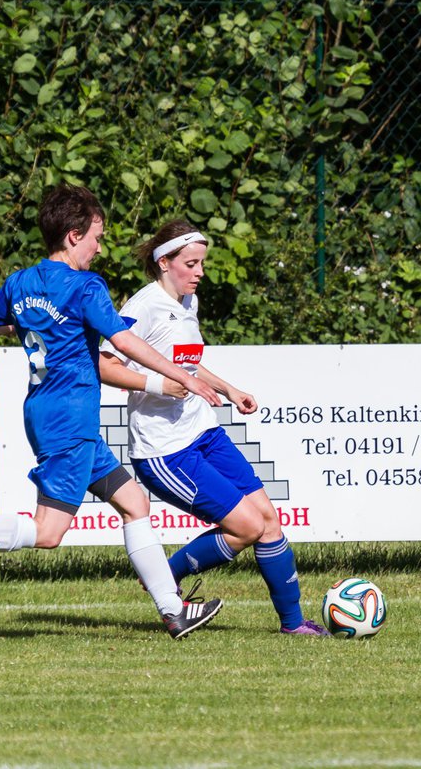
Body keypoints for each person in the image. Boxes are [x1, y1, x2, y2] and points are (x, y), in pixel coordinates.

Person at [0, 185, 223, 640]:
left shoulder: (21, 282)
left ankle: (173, 611)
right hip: (69, 418)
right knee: (49, 532)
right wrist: (186, 378)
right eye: (96, 236)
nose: (99, 246)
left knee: (134, 502)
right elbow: (124, 342)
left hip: (50, 413)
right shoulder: (86, 286)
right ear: (73, 236)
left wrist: (34, 322)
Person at [98, 219, 328, 636]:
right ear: (164, 262)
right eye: (191, 263)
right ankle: (164, 576)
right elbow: (106, 365)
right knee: (247, 527)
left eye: (202, 262)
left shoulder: (188, 302)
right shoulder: (143, 307)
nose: (200, 272)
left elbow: (182, 361)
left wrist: (228, 387)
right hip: (165, 451)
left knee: (268, 520)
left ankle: (294, 626)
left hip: (205, 433)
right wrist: (161, 384)